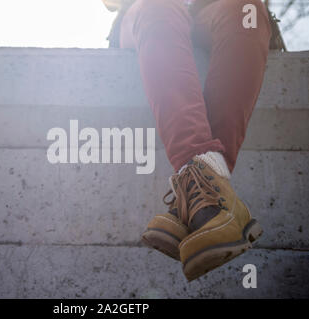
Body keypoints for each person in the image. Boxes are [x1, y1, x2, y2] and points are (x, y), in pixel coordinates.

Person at [102, 0, 273, 281]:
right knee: (158, 6)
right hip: (148, 13)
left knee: (248, 11)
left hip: (215, 9)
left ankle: (193, 200)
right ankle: (208, 201)